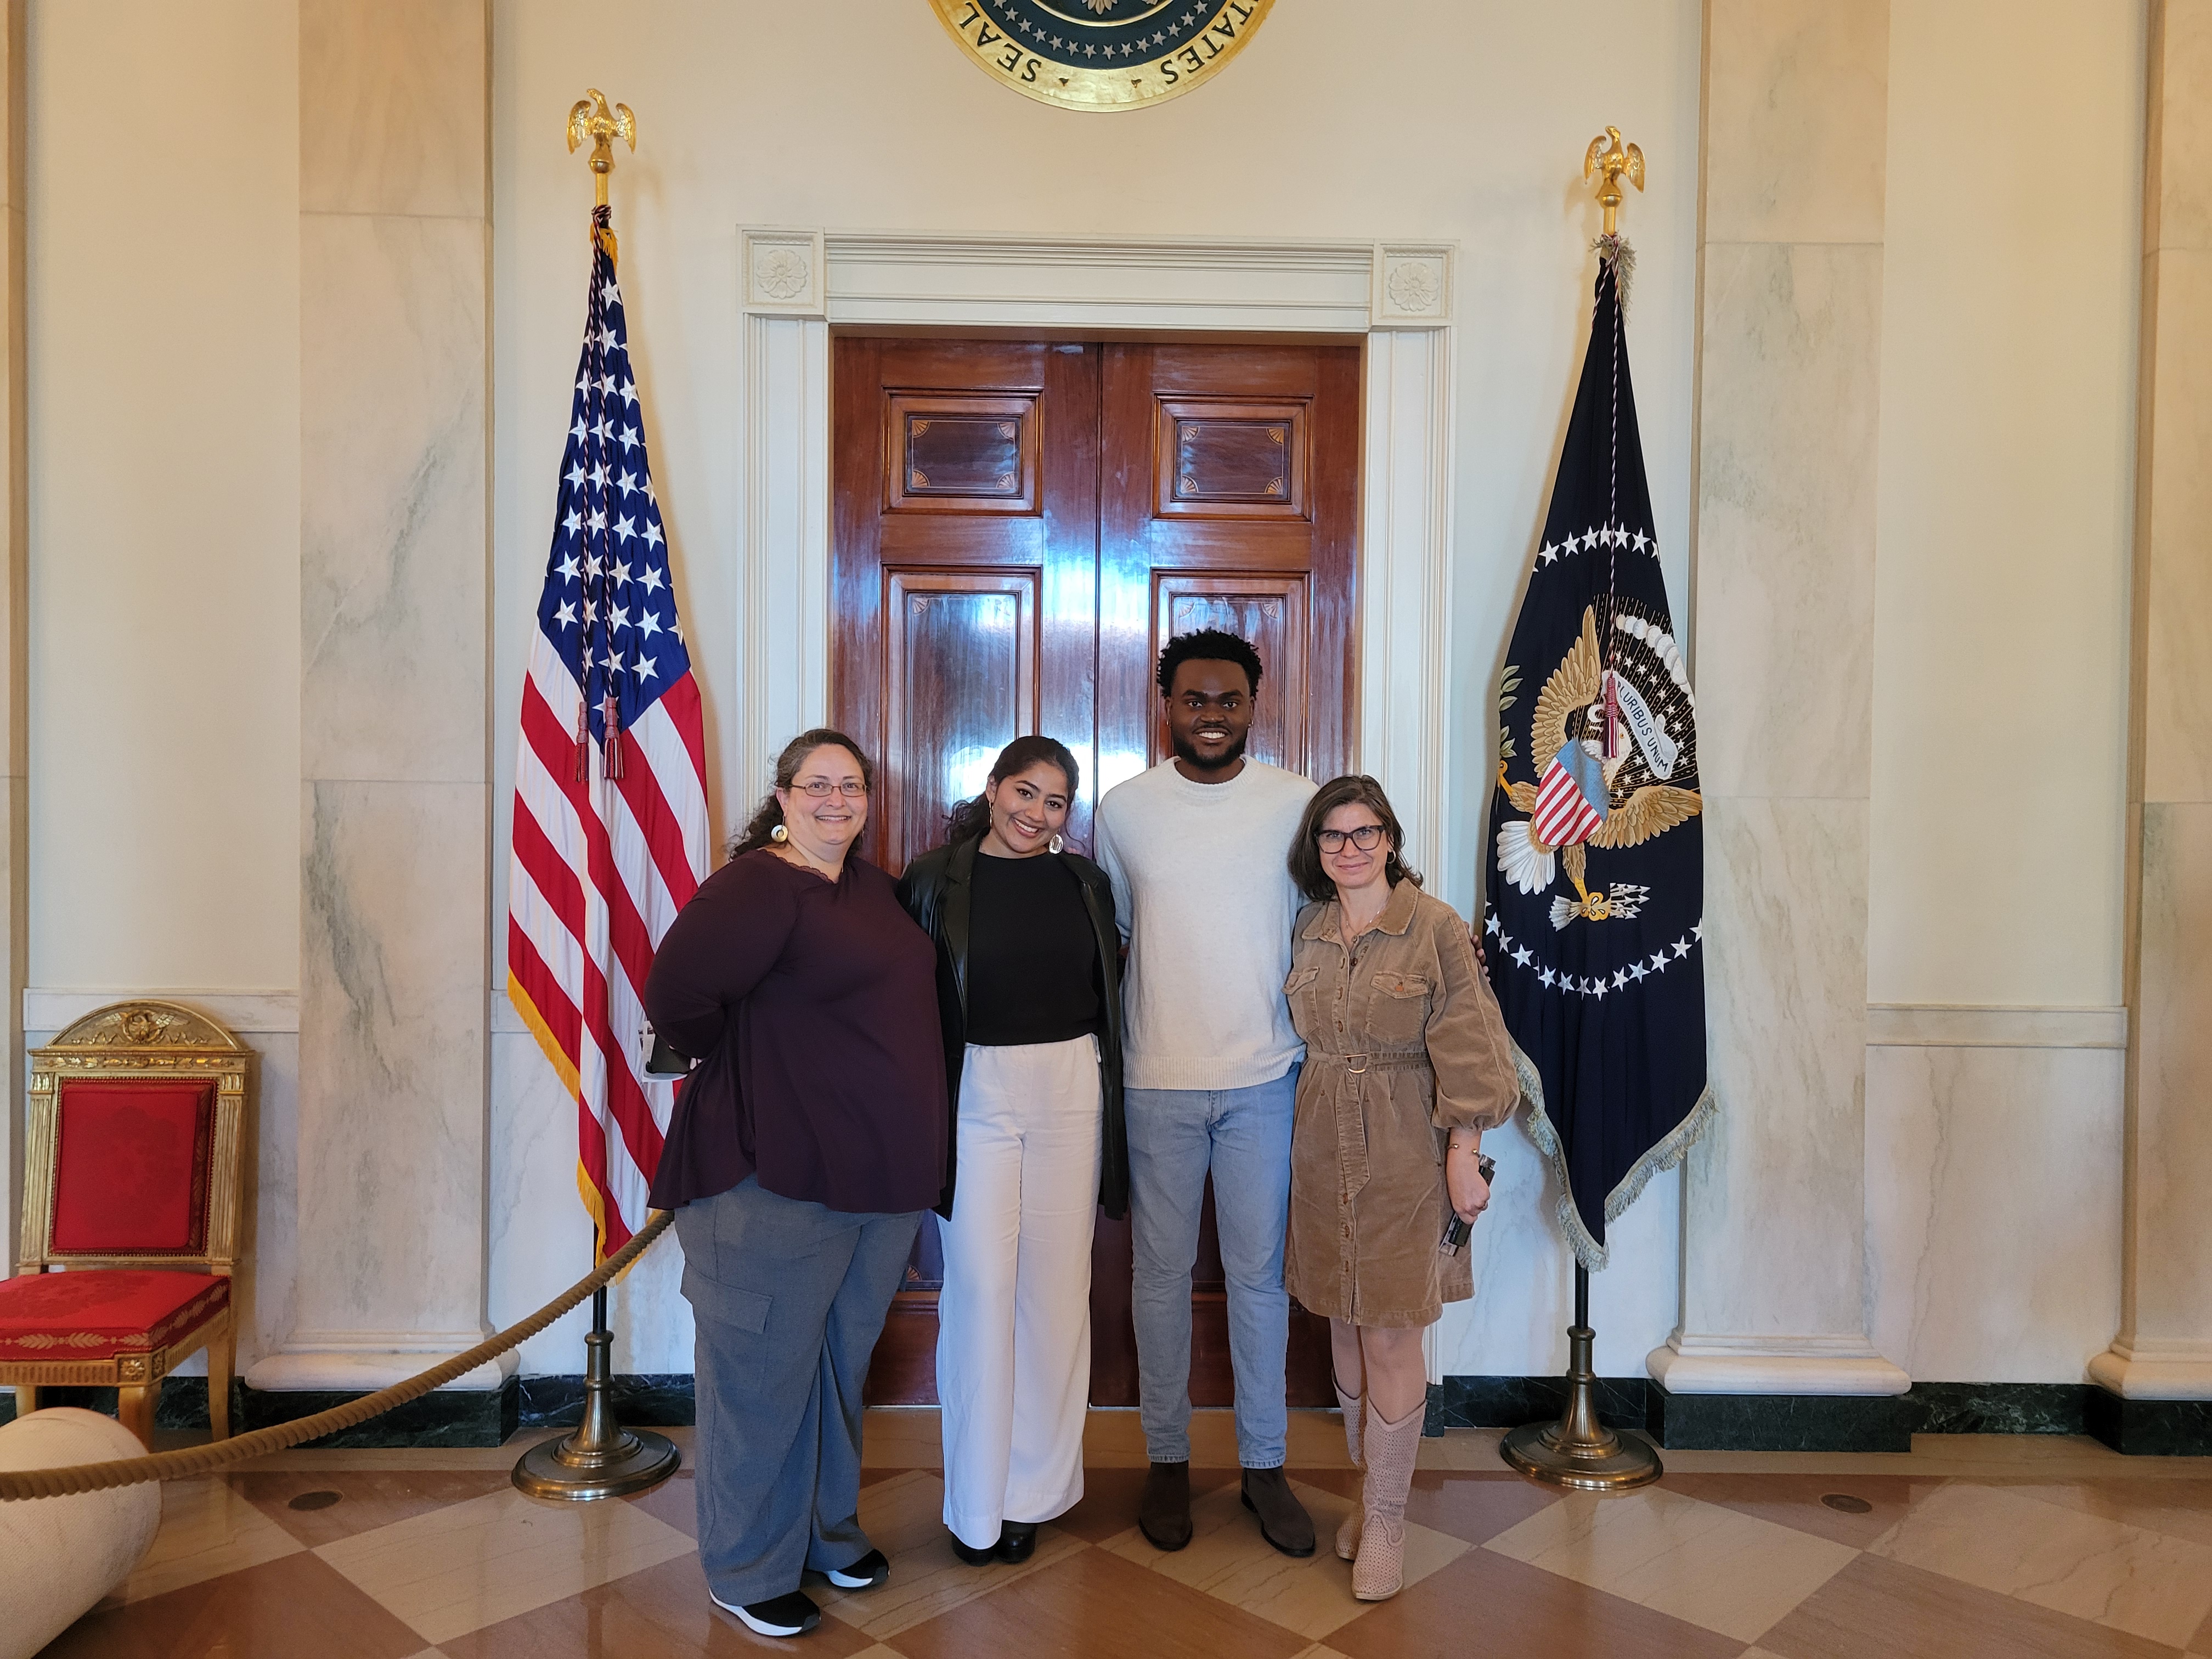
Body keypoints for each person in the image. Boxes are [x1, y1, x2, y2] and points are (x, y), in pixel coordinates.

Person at [643, 729, 947, 1640]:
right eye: (816, 785)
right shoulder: (757, 886)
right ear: (782, 797)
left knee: (834, 1370)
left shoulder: (873, 888)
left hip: (874, 1182)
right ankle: (748, 1567)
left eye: (850, 785)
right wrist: (758, 1065)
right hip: (769, 1179)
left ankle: (823, 1534)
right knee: (761, 1379)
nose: (834, 800)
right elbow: (676, 996)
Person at [1092, 628, 1319, 1557]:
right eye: (1195, 700)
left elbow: (1331, 917)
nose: (1212, 716)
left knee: (1260, 1280)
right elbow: (1115, 930)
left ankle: (1265, 1465)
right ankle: (1168, 1460)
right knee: (1158, 1279)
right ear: (1168, 708)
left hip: (1265, 1078)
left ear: (1254, 706)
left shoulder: (1298, 804)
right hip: (1157, 1081)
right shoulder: (1124, 810)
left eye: (1229, 700)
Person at [1282, 775, 1518, 1600]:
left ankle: (1387, 1519)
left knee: (1389, 1334)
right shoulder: (1309, 928)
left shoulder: (1437, 928)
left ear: (1390, 838)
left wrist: (1465, 1150)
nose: (1350, 848)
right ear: (1316, 848)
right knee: (1343, 1330)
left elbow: (1473, 1044)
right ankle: (1364, 1492)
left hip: (1405, 1150)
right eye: (1333, 835)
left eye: (1366, 832)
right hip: (1321, 1149)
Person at [896, 735, 1129, 1566]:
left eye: (1055, 801)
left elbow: (1109, 996)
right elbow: (906, 997)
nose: (1037, 813)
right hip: (975, 1091)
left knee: (1056, 1293)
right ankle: (976, 1505)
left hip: (1071, 1085)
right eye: (1025, 792)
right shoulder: (934, 879)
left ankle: (1033, 1495)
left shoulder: (1086, 883)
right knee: (981, 1290)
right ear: (993, 789)